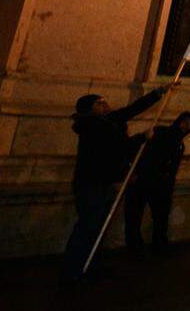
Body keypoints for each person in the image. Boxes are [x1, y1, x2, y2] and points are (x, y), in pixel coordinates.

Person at [61, 83, 174, 282]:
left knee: (98, 227)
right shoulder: (92, 127)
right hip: (91, 184)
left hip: (106, 182)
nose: (105, 104)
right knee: (89, 225)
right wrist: (142, 137)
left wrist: (158, 93)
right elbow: (115, 148)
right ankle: (74, 268)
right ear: (89, 108)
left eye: (104, 100)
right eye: (99, 102)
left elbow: (132, 109)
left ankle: (89, 264)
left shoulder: (109, 121)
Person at [124, 111, 190, 253]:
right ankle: (135, 247)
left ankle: (159, 244)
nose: (186, 125)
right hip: (143, 179)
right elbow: (136, 147)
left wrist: (168, 184)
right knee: (134, 216)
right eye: (184, 121)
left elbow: (172, 168)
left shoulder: (180, 145)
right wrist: (132, 170)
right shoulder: (160, 132)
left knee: (161, 216)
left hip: (161, 186)